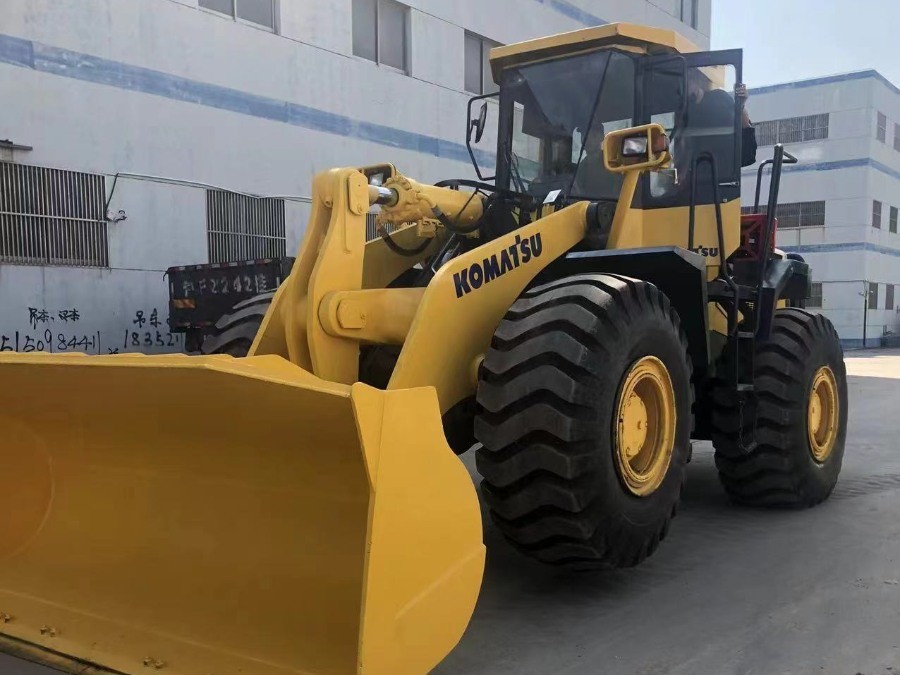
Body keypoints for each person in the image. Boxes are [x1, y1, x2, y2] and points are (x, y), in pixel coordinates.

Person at [686, 69, 757, 167]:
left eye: (688, 80)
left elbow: (746, 149)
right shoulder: (682, 113)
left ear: (697, 80)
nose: (685, 86)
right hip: (695, 175)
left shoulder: (720, 98)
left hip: (723, 174)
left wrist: (741, 105)